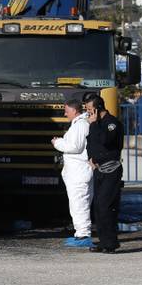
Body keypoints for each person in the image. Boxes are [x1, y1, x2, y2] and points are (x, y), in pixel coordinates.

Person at [85, 96, 125, 254]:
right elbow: (91, 142)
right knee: (98, 207)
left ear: (98, 108)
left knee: (106, 205)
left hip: (111, 169)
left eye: (90, 109)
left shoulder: (111, 123)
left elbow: (105, 141)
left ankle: (111, 243)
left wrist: (94, 124)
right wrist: (91, 158)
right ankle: (103, 241)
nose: (88, 113)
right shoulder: (96, 124)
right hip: (98, 168)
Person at [52, 99, 94, 247]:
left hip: (78, 173)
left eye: (66, 111)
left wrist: (57, 143)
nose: (65, 113)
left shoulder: (80, 125)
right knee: (78, 204)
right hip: (77, 173)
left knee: (79, 205)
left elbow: (75, 147)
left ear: (74, 111)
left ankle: (83, 235)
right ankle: (80, 234)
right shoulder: (78, 125)